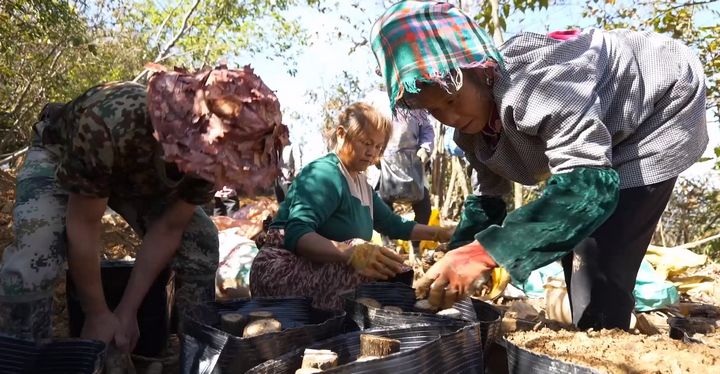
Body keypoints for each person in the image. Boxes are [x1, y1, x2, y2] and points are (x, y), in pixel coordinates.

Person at [370, 1, 708, 330]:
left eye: (451, 100)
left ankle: (608, 334)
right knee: (575, 254)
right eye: (434, 111)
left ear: (481, 71)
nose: (451, 117)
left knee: (599, 264)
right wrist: (456, 260)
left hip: (658, 103)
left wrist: (484, 255)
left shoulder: (537, 84)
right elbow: (488, 202)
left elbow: (588, 190)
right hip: (599, 144)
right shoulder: (472, 136)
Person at [0, 66, 283, 351]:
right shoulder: (108, 122)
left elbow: (169, 228)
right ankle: (23, 354)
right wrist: (97, 313)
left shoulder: (216, 157)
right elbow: (84, 224)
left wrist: (126, 311)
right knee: (35, 253)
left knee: (200, 241)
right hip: (60, 156)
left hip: (137, 177)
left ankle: (193, 352)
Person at [249, 102, 454, 310]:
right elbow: (296, 234)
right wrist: (349, 253)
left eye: (377, 147)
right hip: (282, 268)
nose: (372, 153)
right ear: (341, 135)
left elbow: (395, 225)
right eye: (366, 143)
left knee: (391, 269)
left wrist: (441, 234)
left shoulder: (361, 184)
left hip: (319, 269)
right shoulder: (324, 174)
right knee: (360, 251)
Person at [365, 89, 435, 251]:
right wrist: (373, 154)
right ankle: (388, 245)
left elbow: (427, 128)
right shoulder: (374, 99)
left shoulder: (416, 98)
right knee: (380, 206)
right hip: (382, 162)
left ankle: (415, 247)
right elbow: (364, 128)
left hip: (412, 162)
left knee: (424, 208)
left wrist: (425, 148)